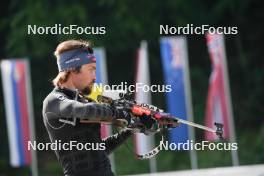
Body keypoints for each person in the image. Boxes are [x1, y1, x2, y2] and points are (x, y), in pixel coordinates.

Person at [42, 39, 132, 176]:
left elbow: (98, 151)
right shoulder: (54, 101)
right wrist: (119, 113)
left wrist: (129, 130)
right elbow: (84, 110)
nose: (94, 77)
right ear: (72, 69)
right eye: (91, 70)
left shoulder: (83, 100)